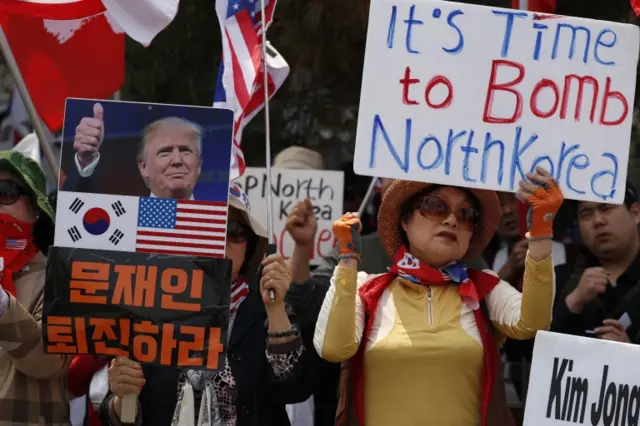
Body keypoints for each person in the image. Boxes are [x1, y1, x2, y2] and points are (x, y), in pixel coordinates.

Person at [313, 168, 562, 426]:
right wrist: (347, 260)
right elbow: (333, 348)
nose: (452, 220)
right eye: (435, 207)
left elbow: (533, 322)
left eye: (466, 215)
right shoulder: (366, 288)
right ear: (404, 221)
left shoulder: (486, 287)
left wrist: (541, 232)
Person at [99, 185, 313, 426]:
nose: (220, 240)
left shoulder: (266, 306)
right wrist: (121, 397)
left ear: (249, 247)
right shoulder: (147, 308)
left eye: (233, 230)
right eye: (206, 227)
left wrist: (275, 309)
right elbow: (115, 417)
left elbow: (295, 389)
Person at [0, 150, 71, 425]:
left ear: (35, 210)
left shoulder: (57, 278)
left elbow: (49, 361)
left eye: (5, 192)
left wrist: (4, 306)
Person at [552, 181, 640, 344]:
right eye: (586, 214)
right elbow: (532, 353)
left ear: (635, 213)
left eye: (606, 208)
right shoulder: (560, 279)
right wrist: (573, 301)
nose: (597, 221)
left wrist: (631, 354)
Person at [63, 102, 201, 200]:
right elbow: (77, 213)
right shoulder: (123, 222)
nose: (177, 160)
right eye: (165, 152)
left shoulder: (220, 224)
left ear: (199, 165)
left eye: (185, 151)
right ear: (143, 167)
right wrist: (85, 160)